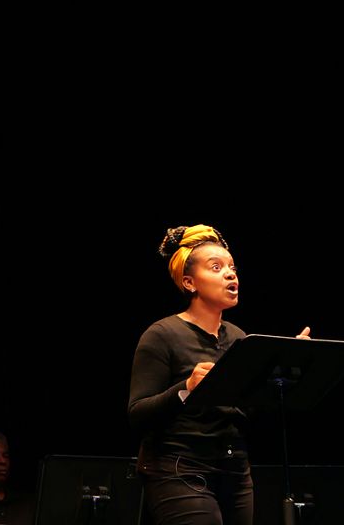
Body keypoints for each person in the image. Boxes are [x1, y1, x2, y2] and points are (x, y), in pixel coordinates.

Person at [129, 224, 310, 524]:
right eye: (216, 267)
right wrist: (185, 387)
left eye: (232, 268)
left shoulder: (239, 339)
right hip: (179, 469)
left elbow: (251, 410)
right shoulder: (162, 334)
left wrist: (289, 366)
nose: (230, 274)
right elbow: (137, 414)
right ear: (189, 283)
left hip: (235, 470)